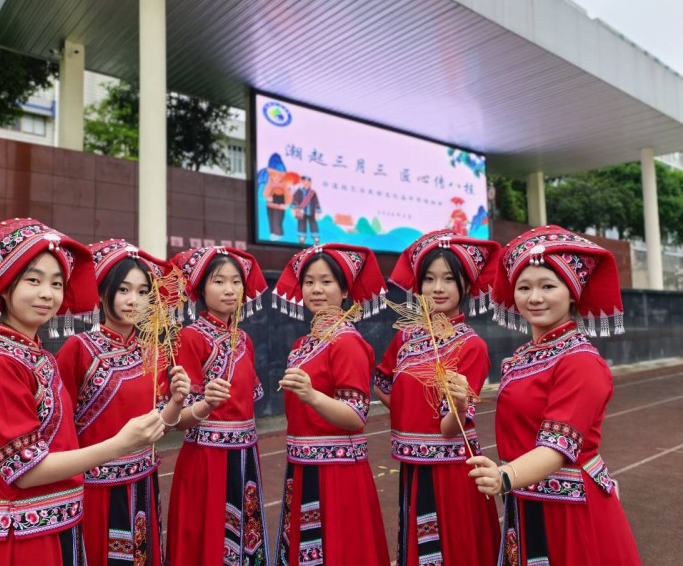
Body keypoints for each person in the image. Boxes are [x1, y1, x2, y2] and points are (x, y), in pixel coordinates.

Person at [0, 218, 166, 566]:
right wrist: (120, 444)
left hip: (58, 522)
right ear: (4, 285)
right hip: (23, 536)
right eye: (34, 280)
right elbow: (25, 470)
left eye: (56, 283)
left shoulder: (37, 356)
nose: (47, 293)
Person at [467, 225, 641, 565]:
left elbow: (558, 447)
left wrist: (505, 475)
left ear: (573, 292)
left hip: (570, 509)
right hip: (527, 498)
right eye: (524, 287)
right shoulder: (521, 358)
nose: (535, 297)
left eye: (548, 286)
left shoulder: (581, 362)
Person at [55, 239, 191, 565]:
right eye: (124, 290)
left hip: (143, 481)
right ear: (103, 293)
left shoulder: (152, 351)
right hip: (95, 489)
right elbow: (58, 425)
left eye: (144, 292)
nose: (134, 300)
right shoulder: (78, 349)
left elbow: (160, 425)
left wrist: (176, 400)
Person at [374, 230, 501, 565]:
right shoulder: (406, 337)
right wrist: (409, 412)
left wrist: (458, 405)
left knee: (454, 549)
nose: (437, 288)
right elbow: (382, 383)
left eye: (448, 279)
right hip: (412, 464)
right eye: (429, 279)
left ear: (466, 286)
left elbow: (450, 427)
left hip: (453, 470)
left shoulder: (471, 346)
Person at [273, 243, 391, 566]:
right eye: (309, 282)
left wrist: (312, 395)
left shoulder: (348, 343)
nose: (316, 290)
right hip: (302, 466)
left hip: (337, 474)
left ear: (344, 290)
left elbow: (356, 415)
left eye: (326, 282)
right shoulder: (302, 344)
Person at [165, 246, 271, 565]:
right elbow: (179, 420)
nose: (229, 289)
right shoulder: (190, 337)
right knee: (207, 536)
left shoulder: (244, 340)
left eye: (236, 282)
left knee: (245, 537)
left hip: (246, 455)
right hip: (207, 458)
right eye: (219, 281)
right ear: (201, 289)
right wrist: (205, 405)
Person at [291, 175, 321, 245]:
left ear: (310, 183)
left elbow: (316, 202)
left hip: (311, 212)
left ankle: (316, 239)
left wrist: (317, 212)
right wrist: (294, 209)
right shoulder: (298, 191)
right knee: (301, 224)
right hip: (301, 212)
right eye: (304, 182)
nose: (306, 183)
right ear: (302, 183)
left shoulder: (313, 192)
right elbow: (295, 201)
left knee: (313, 224)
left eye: (308, 182)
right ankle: (302, 238)